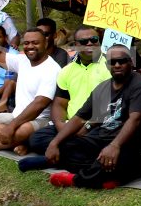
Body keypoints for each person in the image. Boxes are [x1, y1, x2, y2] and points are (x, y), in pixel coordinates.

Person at [42, 45, 141, 189]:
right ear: (107, 65)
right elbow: (79, 118)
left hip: (134, 141)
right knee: (66, 146)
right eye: (113, 62)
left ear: (131, 62)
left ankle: (78, 180)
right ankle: (109, 174)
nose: (117, 65)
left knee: (120, 158)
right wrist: (54, 143)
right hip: (103, 139)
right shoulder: (102, 88)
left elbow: (135, 119)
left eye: (122, 61)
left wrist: (114, 146)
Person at [19, 26, 112, 169]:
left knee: (101, 140)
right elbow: (59, 105)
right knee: (36, 139)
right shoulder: (67, 71)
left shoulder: (112, 67)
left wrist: (86, 126)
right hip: (70, 125)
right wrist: (63, 127)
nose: (89, 44)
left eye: (94, 40)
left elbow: (111, 107)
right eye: (84, 41)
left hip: (98, 124)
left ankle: (55, 159)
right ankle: (76, 156)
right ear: (76, 45)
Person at [0, 25, 61, 154]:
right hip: (16, 115)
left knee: (23, 130)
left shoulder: (52, 69)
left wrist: (11, 126)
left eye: (35, 43)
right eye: (26, 43)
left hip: (40, 119)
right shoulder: (22, 61)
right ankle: (20, 142)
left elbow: (39, 104)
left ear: (45, 44)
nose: (30, 46)